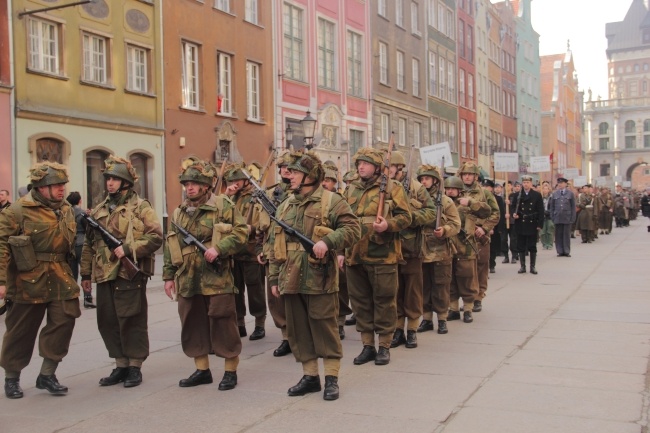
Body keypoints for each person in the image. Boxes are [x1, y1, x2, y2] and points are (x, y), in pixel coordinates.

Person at [268, 151, 360, 401]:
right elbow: (274, 243)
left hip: (319, 277)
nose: (290, 176)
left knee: (324, 328)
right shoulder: (287, 204)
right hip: (291, 277)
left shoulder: (331, 201)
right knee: (298, 330)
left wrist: (329, 241)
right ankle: (310, 377)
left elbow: (353, 229)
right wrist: (274, 277)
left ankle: (331, 378)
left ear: (309, 176)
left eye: (295, 172)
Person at [163, 160, 248, 390]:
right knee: (192, 323)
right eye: (187, 184)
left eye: (194, 183)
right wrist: (168, 276)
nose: (189, 188)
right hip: (188, 276)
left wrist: (219, 248)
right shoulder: (179, 213)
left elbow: (242, 232)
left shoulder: (223, 205)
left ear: (206, 186)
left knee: (223, 322)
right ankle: (202, 370)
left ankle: (230, 371)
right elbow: (170, 244)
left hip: (217, 276)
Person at [80, 155, 162, 388]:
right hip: (104, 273)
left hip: (129, 274)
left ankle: (135, 365)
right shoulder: (99, 209)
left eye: (115, 179)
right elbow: (89, 244)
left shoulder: (141, 207)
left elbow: (156, 236)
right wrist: (85, 275)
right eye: (108, 179)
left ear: (126, 182)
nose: (110, 183)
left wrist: (127, 248)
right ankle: (120, 364)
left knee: (132, 320)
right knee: (108, 321)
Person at [0, 162, 81, 399]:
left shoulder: (65, 209)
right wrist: (1, 281)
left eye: (62, 185)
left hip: (60, 275)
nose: (60, 190)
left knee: (63, 322)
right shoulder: (17, 211)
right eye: (55, 185)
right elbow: (2, 246)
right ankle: (12, 378)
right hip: (27, 278)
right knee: (20, 330)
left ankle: (47, 374)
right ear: (40, 187)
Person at [343, 148, 411, 366]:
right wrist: (339, 252)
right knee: (361, 303)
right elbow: (341, 221)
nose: (360, 167)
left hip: (383, 254)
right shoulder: (350, 188)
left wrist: (388, 225)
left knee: (384, 301)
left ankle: (384, 345)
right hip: (355, 254)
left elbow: (406, 217)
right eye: (358, 164)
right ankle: (367, 346)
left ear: (376, 166)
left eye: (365, 163)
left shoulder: (393, 187)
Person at [388, 152, 435, 349]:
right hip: (390, 248)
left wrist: (410, 218)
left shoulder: (417, 189)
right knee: (395, 291)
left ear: (399, 168)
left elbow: (431, 212)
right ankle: (398, 329)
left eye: (389, 168)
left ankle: (412, 329)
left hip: (411, 248)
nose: (386, 171)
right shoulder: (384, 188)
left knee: (413, 292)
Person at [224, 162, 267, 341]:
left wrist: (251, 228)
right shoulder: (230, 198)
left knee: (255, 289)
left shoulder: (258, 197)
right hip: (234, 251)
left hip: (251, 251)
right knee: (235, 290)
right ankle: (239, 323)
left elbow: (265, 223)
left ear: (245, 180)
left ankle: (259, 323)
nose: (233, 184)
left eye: (237, 180)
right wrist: (227, 195)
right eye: (231, 181)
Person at [417, 165, 461, 335]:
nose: (423, 181)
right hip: (422, 248)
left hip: (441, 250)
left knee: (441, 286)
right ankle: (426, 319)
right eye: (421, 179)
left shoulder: (445, 201)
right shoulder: (417, 199)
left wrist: (444, 230)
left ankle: (442, 318)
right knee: (424, 287)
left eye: (427, 178)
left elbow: (456, 224)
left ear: (435, 180)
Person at [257, 150, 293, 357]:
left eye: (289, 168)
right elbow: (262, 226)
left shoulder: (301, 193)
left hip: (295, 253)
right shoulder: (269, 194)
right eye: (282, 168)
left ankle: (302, 334)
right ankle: (286, 336)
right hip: (273, 252)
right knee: (276, 298)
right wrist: (259, 248)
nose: (285, 171)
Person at [445, 176, 490, 323]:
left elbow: (486, 211)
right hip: (448, 248)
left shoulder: (466, 204)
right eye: (448, 188)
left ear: (459, 190)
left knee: (467, 280)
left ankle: (468, 308)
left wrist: (471, 202)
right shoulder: (443, 204)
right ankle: (453, 309)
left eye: (453, 189)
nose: (450, 191)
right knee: (450, 280)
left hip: (466, 248)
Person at [321, 162, 353, 341]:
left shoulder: (340, 201)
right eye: (322, 180)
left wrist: (341, 252)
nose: (325, 183)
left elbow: (346, 228)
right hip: (318, 251)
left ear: (334, 182)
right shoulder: (315, 200)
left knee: (341, 289)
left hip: (336, 250)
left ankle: (339, 323)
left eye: (329, 180)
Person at [473, 174, 500, 312]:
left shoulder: (485, 194)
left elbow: (495, 213)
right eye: (464, 174)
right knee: (465, 270)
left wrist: (485, 228)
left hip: (480, 236)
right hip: (463, 236)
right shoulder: (457, 190)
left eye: (470, 175)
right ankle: (467, 298)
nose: (467, 177)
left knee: (481, 267)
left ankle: (478, 297)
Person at [66, 191, 96, 308]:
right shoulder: (82, 213)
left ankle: (72, 300)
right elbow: (88, 229)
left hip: (70, 245)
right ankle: (87, 298)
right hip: (82, 244)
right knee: (85, 272)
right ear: (79, 201)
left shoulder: (66, 213)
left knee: (72, 274)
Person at [510, 175, 545, 274]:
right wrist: (514, 214)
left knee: (532, 246)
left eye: (528, 182)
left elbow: (540, 210)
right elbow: (513, 207)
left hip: (532, 223)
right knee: (520, 245)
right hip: (521, 222)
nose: (526, 184)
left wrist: (540, 224)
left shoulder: (536, 195)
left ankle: (532, 266)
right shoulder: (518, 195)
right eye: (524, 182)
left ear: (531, 183)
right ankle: (522, 266)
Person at [539, 183, 555, 250]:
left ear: (549, 189)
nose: (545, 190)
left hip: (549, 216)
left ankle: (549, 244)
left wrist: (548, 212)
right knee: (542, 232)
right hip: (542, 217)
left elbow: (553, 207)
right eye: (544, 189)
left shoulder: (552, 198)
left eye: (546, 189)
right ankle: (544, 244)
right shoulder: (540, 198)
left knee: (550, 230)